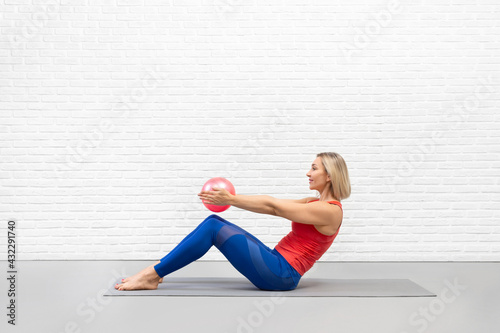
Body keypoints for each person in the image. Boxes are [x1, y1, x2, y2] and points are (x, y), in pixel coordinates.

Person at [115, 152, 351, 291]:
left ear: (329, 176)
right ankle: (158, 268)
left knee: (213, 227)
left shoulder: (330, 212)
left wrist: (231, 199)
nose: (308, 173)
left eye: (313, 168)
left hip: (282, 274)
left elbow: (274, 207)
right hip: (276, 262)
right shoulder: (313, 202)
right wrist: (232, 199)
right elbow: (272, 205)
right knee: (213, 222)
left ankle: (152, 275)